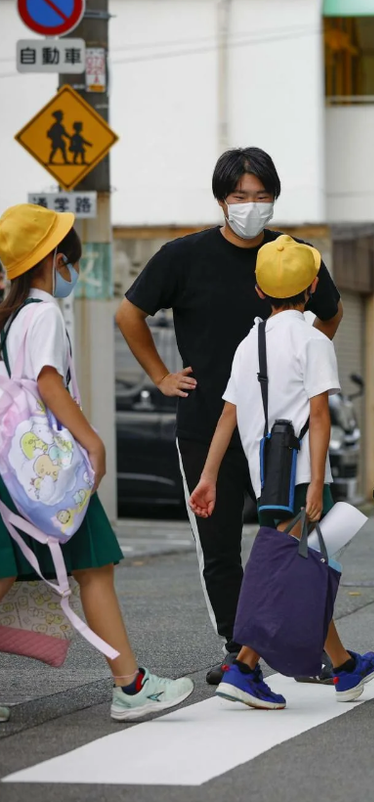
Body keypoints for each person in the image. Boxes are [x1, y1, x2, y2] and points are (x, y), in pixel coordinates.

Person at [116, 147, 344, 685]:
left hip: (279, 436)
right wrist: (160, 376)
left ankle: (286, 647)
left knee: (293, 542)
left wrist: (301, 369)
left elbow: (331, 313)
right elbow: (129, 313)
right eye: (240, 196)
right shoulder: (183, 256)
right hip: (206, 427)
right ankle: (238, 649)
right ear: (222, 200)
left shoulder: (296, 257)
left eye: (262, 196)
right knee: (220, 550)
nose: (251, 206)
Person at [0, 204, 195, 721]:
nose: (74, 269)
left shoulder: (10, 316)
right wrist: (93, 443)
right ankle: (130, 686)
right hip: (49, 472)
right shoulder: (43, 314)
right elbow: (48, 382)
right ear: (55, 260)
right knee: (95, 566)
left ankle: (130, 681)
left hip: (11, 468)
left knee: (28, 571)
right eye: (71, 259)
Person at [188, 236, 374, 709]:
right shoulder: (313, 340)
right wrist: (317, 482)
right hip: (301, 477)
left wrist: (208, 475)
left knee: (304, 570)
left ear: (259, 288)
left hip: (265, 477)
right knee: (293, 572)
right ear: (313, 286)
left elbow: (227, 415)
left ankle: (343, 667)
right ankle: (245, 668)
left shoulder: (248, 343)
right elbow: (319, 416)